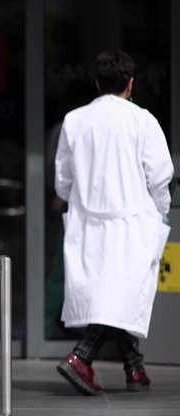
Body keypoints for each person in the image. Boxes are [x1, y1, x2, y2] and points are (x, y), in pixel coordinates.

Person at [54, 50, 173, 395]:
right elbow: (160, 176)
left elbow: (62, 180)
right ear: (130, 83)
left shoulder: (74, 120)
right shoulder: (142, 120)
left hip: (87, 222)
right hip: (131, 222)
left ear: (97, 83)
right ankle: (81, 357)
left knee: (115, 297)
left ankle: (134, 368)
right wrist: (161, 210)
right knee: (121, 296)